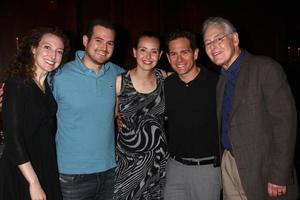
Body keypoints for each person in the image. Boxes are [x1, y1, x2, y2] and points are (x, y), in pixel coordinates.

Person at [202, 16, 298, 200]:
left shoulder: (265, 68)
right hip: (229, 165)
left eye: (219, 39)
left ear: (235, 39)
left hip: (262, 168)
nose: (213, 46)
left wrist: (279, 175)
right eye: (208, 42)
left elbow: (285, 123)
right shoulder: (221, 80)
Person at [52, 19, 125, 200]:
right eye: (98, 40)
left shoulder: (119, 74)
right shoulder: (59, 75)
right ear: (86, 41)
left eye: (110, 43)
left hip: (109, 171)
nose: (104, 47)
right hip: (71, 176)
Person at [0, 27, 69, 200]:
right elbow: (13, 138)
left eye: (59, 51)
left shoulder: (46, 85)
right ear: (33, 49)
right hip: (23, 169)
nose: (53, 56)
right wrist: (33, 182)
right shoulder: (17, 83)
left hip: (44, 163)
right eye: (47, 47)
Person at [163, 30, 221, 200]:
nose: (179, 59)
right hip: (174, 167)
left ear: (195, 53)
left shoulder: (216, 83)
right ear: (168, 57)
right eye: (173, 54)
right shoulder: (167, 85)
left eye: (184, 52)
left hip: (206, 169)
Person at [114, 32, 168, 200]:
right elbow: (112, 116)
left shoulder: (165, 78)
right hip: (127, 164)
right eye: (143, 50)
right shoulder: (120, 81)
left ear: (159, 55)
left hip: (158, 162)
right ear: (134, 52)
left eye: (154, 51)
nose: (148, 56)